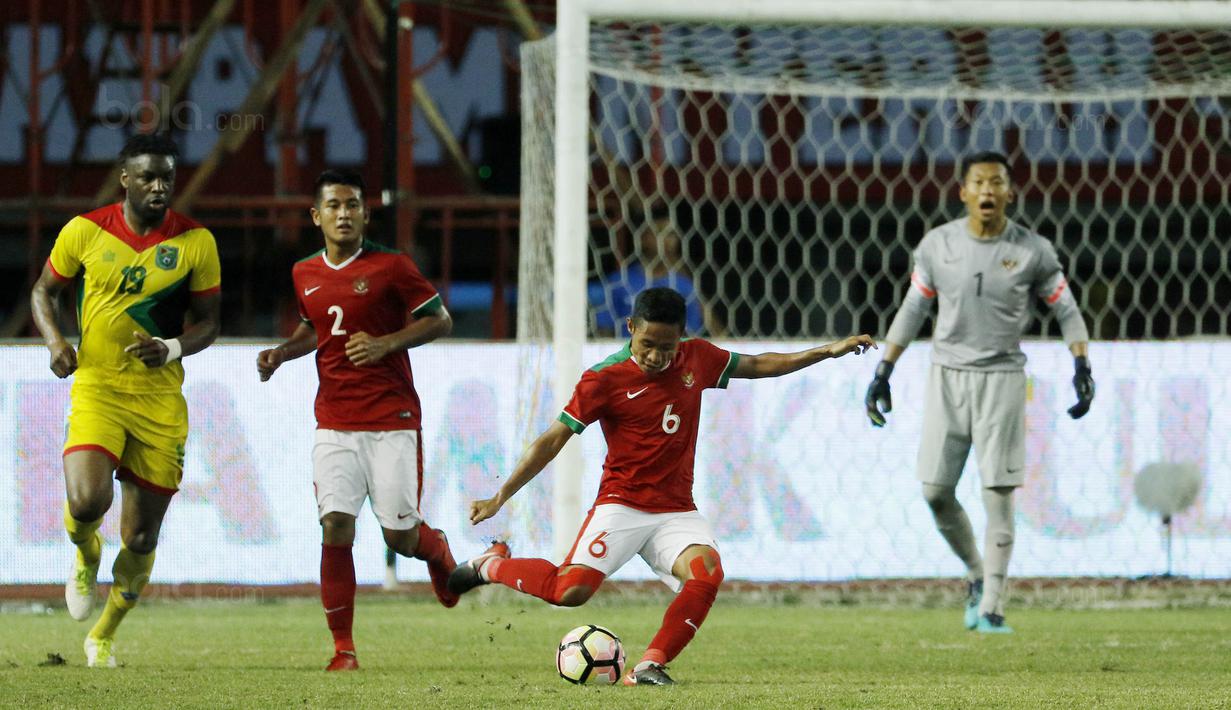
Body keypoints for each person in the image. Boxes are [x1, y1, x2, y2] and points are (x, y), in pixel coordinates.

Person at [449, 287, 875, 685]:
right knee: (570, 591)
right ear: (630, 328)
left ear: (682, 338)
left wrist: (825, 351)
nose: (655, 356)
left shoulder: (698, 358)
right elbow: (553, 439)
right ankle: (491, 565)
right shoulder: (603, 379)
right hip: (621, 505)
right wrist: (501, 495)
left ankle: (649, 664)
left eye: (666, 347)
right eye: (647, 344)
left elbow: (760, 365)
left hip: (675, 511)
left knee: (707, 572)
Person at [865, 150, 1095, 634]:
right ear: (964, 192)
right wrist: (884, 369)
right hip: (946, 376)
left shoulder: (1033, 251)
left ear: (1010, 192)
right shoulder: (938, 245)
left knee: (998, 495)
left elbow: (1067, 310)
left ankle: (992, 605)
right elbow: (913, 309)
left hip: (1003, 378)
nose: (988, 190)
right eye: (979, 182)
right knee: (935, 491)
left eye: (997, 182)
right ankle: (976, 572)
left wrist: (1081, 364)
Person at [29, 132, 222, 667]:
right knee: (86, 502)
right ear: (125, 180)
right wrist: (55, 342)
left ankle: (103, 636)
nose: (160, 187)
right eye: (148, 177)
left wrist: (172, 346)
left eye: (167, 178)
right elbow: (44, 291)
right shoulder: (85, 230)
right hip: (99, 388)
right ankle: (84, 554)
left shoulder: (196, 242)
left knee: (139, 538)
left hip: (159, 402)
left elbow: (210, 323)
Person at [256, 169, 458, 671]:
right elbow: (315, 328)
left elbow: (440, 319)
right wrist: (282, 353)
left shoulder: (392, 266)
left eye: (352, 205)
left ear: (366, 214)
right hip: (334, 421)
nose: (343, 214)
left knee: (399, 538)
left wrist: (386, 343)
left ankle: (436, 550)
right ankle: (343, 649)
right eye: (334, 205)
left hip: (392, 418)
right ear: (316, 215)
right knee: (335, 525)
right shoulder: (304, 272)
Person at [591, 214, 721, 337]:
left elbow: (692, 334)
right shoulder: (618, 282)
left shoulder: (684, 285)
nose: (669, 240)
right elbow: (604, 331)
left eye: (672, 234)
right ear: (643, 238)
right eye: (660, 232)